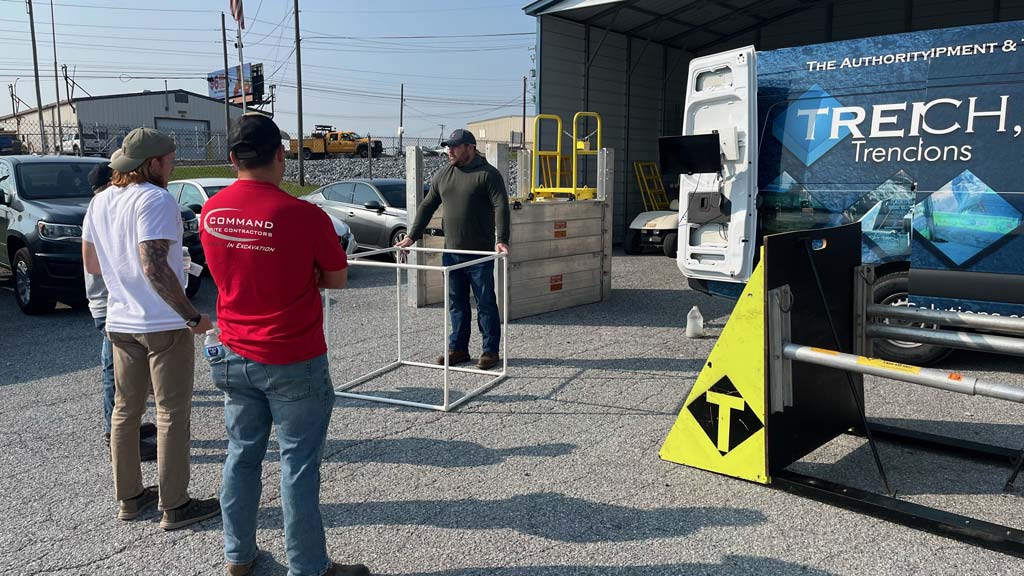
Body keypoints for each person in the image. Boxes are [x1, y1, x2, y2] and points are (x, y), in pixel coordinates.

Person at [200, 114, 366, 576]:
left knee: (241, 455)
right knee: (297, 466)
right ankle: (308, 566)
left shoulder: (211, 211)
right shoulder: (305, 215)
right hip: (293, 356)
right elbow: (336, 279)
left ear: (232, 159)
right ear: (281, 155)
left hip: (233, 352)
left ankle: (238, 555)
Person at [82, 127, 220, 530]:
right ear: (153, 163)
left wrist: (122, 278)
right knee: (172, 414)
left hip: (119, 320)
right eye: (171, 160)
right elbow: (154, 265)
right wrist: (192, 316)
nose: (173, 166)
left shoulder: (101, 201)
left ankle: (129, 499)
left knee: (124, 412)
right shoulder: (156, 199)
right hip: (161, 324)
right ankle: (174, 505)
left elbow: (92, 265)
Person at [397, 128, 510, 370]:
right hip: (452, 254)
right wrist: (411, 237)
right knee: (456, 303)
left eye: (455, 146)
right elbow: (427, 206)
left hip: (479, 255)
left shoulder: (488, 174)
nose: (450, 150)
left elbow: (501, 205)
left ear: (470, 147)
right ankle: (458, 349)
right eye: (449, 146)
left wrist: (503, 238)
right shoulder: (443, 175)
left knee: (485, 303)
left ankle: (490, 351)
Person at [84, 155, 156, 462]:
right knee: (117, 375)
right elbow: (94, 263)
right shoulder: (104, 208)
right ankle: (119, 437)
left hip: (107, 303)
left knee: (114, 369)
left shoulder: (99, 207)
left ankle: (125, 430)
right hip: (110, 303)